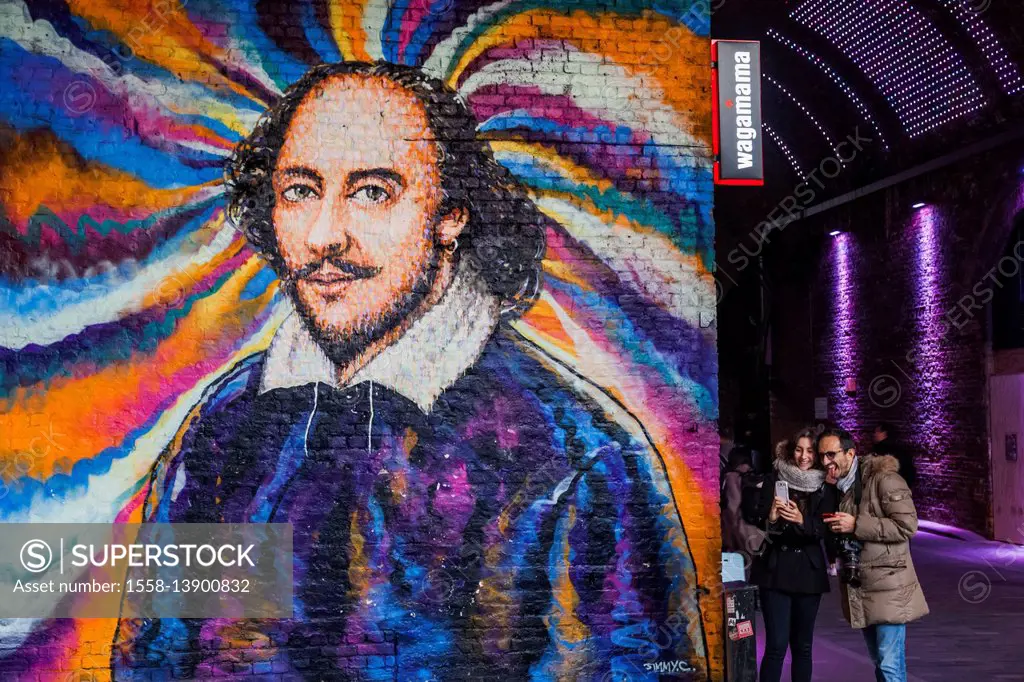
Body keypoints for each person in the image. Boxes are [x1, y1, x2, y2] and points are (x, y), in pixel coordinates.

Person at [111, 62, 708, 679]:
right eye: (300, 191)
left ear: (451, 216)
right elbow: (149, 661)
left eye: (372, 191)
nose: (324, 235)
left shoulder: (574, 455)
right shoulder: (226, 426)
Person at [820, 427, 928, 682]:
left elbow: (907, 526)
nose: (826, 462)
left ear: (850, 453)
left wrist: (855, 524)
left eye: (831, 454)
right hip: (862, 584)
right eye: (822, 455)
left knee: (890, 665)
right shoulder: (843, 487)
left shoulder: (885, 480)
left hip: (889, 585)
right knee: (879, 662)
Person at [743, 427, 837, 682]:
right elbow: (758, 520)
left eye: (809, 451)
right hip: (775, 571)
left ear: (816, 455)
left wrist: (800, 519)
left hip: (808, 572)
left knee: (803, 647)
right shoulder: (775, 479)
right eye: (798, 449)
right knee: (776, 646)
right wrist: (772, 518)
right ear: (790, 450)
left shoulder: (825, 487)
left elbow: (824, 530)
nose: (803, 456)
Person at [721, 448, 766, 566]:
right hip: (754, 529)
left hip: (741, 528)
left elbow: (733, 505)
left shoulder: (731, 477)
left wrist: (731, 532)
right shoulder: (751, 477)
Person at [873, 421, 916, 490]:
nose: (874, 434)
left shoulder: (880, 451)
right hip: (901, 488)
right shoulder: (903, 449)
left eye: (877, 432)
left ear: (884, 433)